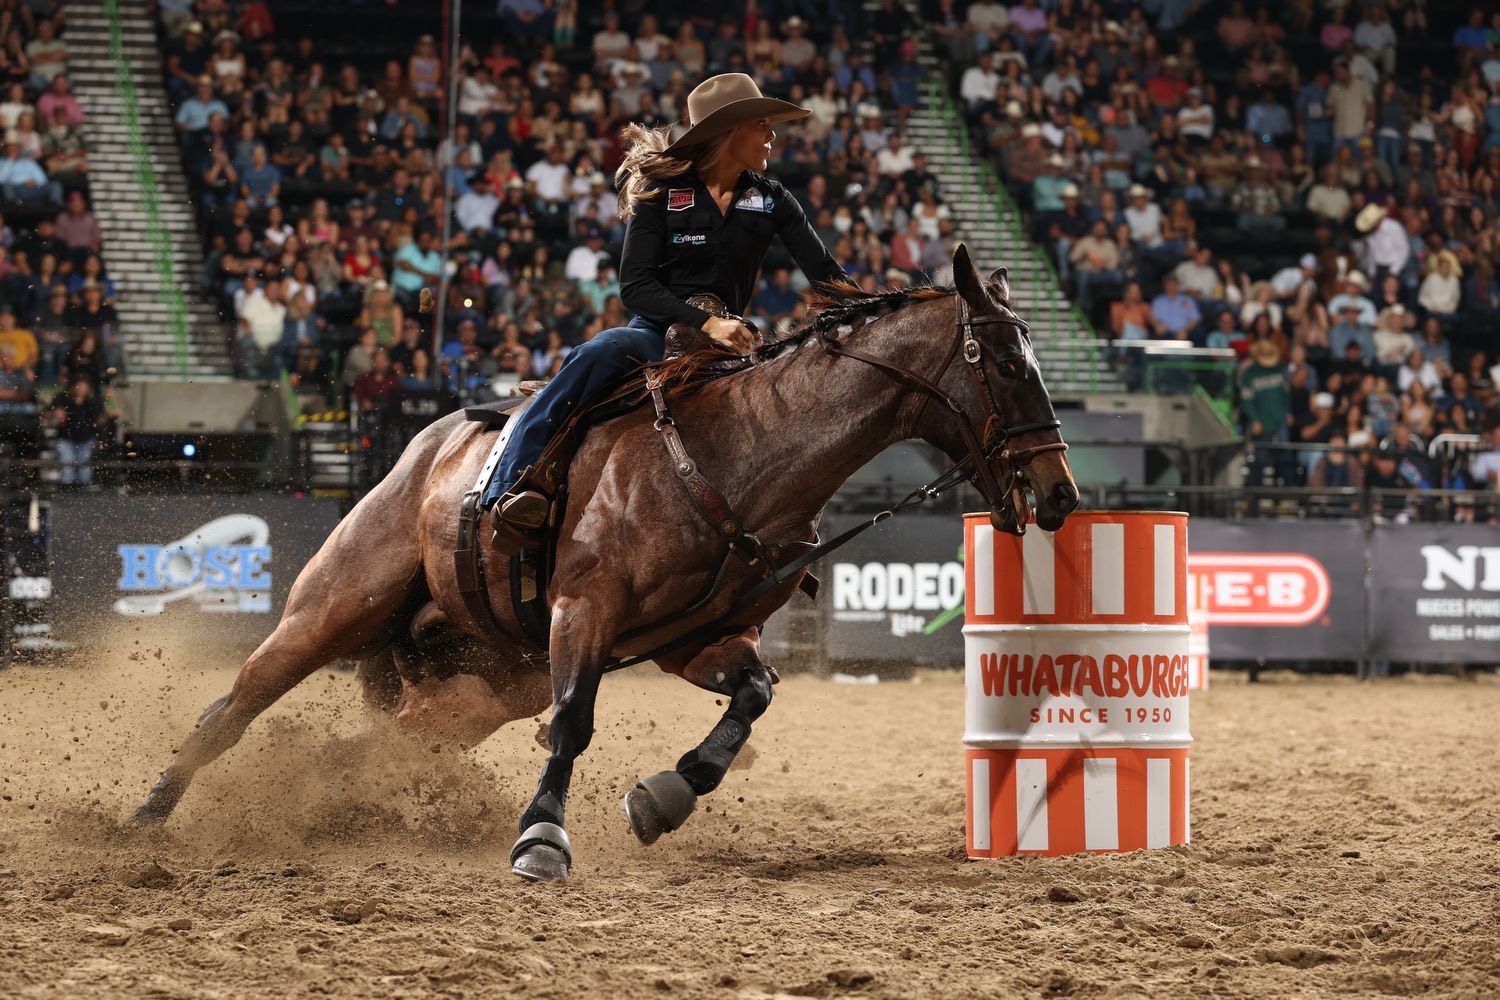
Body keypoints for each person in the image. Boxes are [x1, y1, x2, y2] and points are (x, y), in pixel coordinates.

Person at [485, 73, 846, 542]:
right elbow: (635, 288)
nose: (772, 135)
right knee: (601, 350)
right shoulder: (660, 191)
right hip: (655, 334)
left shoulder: (773, 199)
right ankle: (510, 484)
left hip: (729, 350)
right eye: (761, 125)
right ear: (729, 131)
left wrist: (875, 313)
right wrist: (708, 321)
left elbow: (829, 277)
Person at [49, 376, 104, 486]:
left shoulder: (91, 403)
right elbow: (45, 413)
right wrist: (55, 413)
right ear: (73, 387)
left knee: (84, 472)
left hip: (85, 439)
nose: (81, 389)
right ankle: (66, 490)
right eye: (79, 386)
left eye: (84, 387)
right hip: (66, 439)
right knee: (67, 468)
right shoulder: (63, 399)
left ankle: (82, 494)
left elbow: (99, 421)